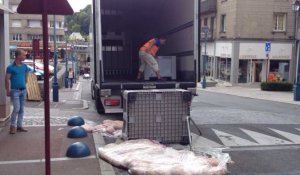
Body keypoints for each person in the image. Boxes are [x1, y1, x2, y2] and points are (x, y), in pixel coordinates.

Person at [5, 49, 29, 134]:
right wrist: (8, 90)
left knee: (21, 109)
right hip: (15, 91)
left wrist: (23, 86)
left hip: (23, 91)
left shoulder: (25, 67)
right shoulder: (10, 67)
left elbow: (26, 79)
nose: (25, 56)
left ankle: (19, 126)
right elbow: (7, 79)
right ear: (18, 56)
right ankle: (12, 126)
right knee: (16, 108)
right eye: (24, 55)